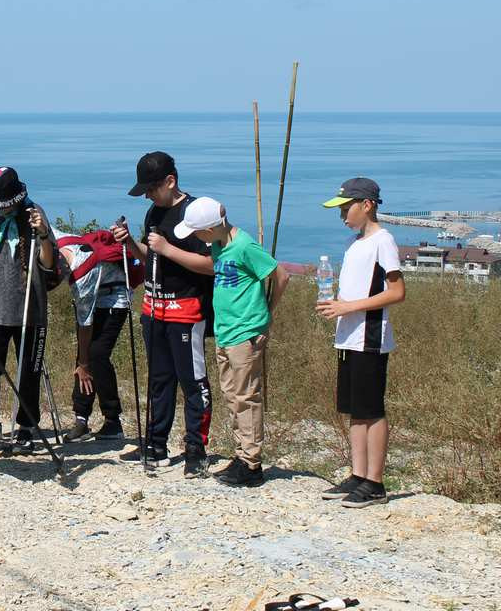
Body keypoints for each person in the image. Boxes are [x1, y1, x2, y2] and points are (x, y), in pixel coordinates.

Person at [173, 197, 290, 487]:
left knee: (246, 396)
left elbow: (281, 275)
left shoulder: (245, 245)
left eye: (198, 232)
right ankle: (242, 454)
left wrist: (267, 311)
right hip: (225, 329)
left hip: (246, 331)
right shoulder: (218, 245)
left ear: (212, 228)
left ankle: (251, 464)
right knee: (232, 395)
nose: (198, 239)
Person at [113, 151, 214, 477]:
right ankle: (155, 444)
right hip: (153, 307)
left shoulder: (195, 213)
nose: (147, 196)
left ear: (171, 181)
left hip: (186, 308)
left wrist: (168, 249)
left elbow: (212, 265)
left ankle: (196, 451)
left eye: (151, 189)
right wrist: (130, 243)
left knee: (193, 381)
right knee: (159, 380)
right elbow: (150, 256)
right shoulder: (154, 213)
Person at [317, 178, 405, 508]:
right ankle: (358, 474)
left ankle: (375, 482)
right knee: (354, 409)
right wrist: (335, 303)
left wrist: (348, 307)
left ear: (366, 205)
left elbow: (397, 292)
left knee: (372, 409)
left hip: (369, 337)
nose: (342, 215)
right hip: (348, 336)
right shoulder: (355, 243)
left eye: (346, 208)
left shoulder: (384, 241)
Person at [0, 167, 61, 457]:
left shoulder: (35, 213)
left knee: (27, 372)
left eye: (7, 203)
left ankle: (25, 429)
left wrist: (43, 233)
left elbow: (48, 263)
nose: (3, 208)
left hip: (29, 307)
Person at [56, 225, 141, 444]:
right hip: (98, 295)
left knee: (95, 355)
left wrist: (84, 363)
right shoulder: (60, 244)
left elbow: (85, 324)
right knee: (83, 356)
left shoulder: (80, 272)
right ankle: (81, 419)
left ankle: (113, 421)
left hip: (116, 299)